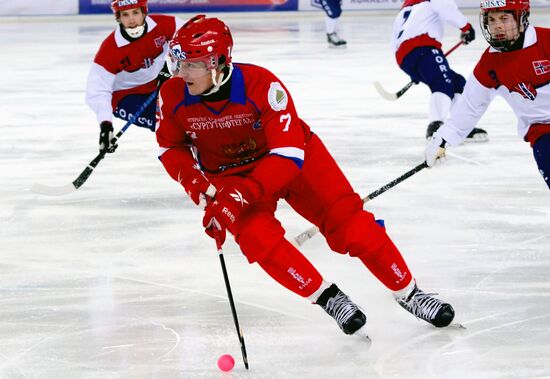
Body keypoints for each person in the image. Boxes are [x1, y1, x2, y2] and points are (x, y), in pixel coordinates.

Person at [156, 14, 456, 337]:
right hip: (228, 177)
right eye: (179, 63)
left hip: (293, 161)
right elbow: (169, 148)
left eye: (192, 64)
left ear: (218, 62)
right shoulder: (172, 95)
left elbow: (287, 155)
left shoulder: (262, 86)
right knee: (257, 239)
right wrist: (199, 188)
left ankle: (409, 292)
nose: (181, 73)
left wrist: (244, 193)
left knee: (351, 223)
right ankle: (329, 298)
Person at [425, 0, 550, 189]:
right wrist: (443, 138)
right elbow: (470, 105)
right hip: (542, 133)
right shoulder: (490, 64)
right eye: (491, 19)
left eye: (504, 18)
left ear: (522, 19)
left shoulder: (546, 41)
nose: (497, 25)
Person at [85, 0, 184, 154]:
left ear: (144, 12)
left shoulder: (163, 24)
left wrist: (176, 66)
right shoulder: (110, 49)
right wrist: (106, 125)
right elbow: (97, 91)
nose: (131, 19)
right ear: (118, 17)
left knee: (192, 109)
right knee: (167, 125)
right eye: (125, 14)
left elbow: (188, 36)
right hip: (125, 96)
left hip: (158, 80)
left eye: (135, 13)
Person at [392, 0, 489, 141]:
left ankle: (461, 126)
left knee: (456, 82)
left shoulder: (406, 10)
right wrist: (466, 27)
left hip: (405, 56)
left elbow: (396, 40)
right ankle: (436, 126)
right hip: (423, 47)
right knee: (442, 82)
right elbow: (445, 6)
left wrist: (415, 69)